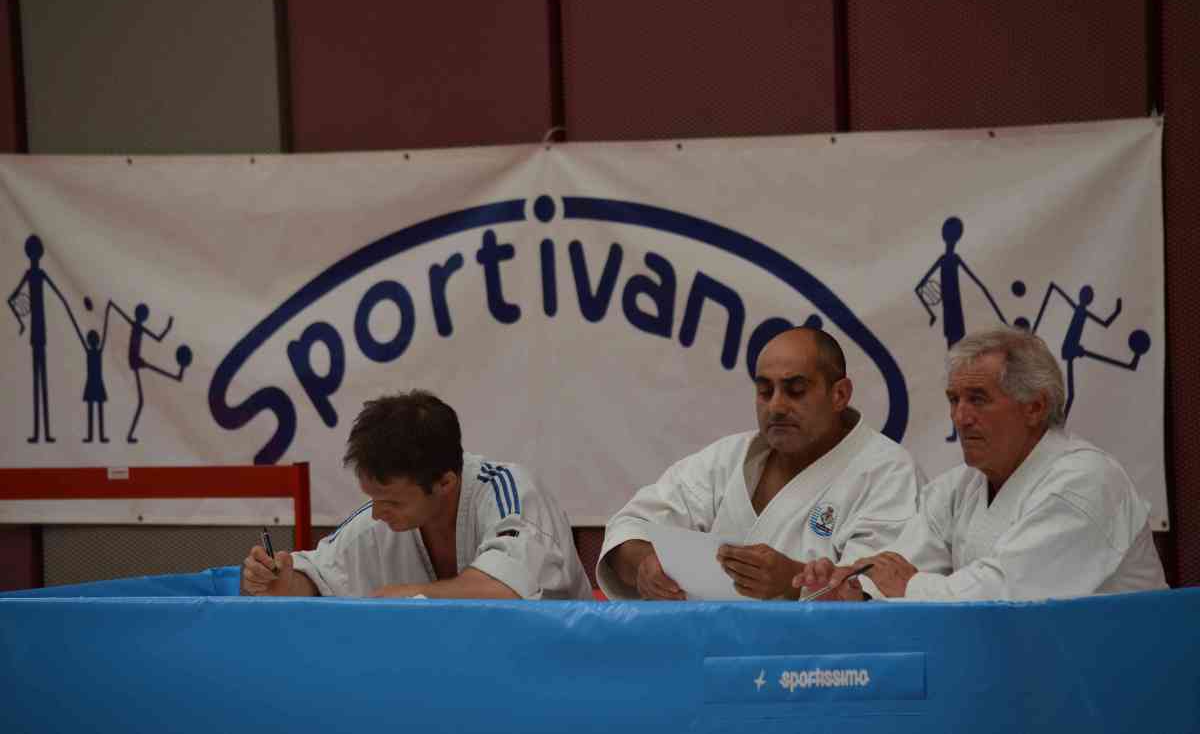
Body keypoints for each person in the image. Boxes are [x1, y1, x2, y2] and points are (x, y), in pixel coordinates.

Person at [796, 327, 1167, 602]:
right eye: (954, 400)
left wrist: (910, 586)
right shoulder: (957, 488)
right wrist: (852, 590)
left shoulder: (1086, 481)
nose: (960, 417)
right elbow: (896, 568)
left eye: (978, 399)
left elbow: (1004, 594)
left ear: (1035, 407)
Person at [597, 327, 923, 600]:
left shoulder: (888, 472)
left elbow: (879, 592)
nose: (776, 407)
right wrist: (644, 563)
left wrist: (792, 581)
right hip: (709, 646)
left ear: (839, 394)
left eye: (796, 390)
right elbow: (630, 525)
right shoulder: (726, 459)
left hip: (821, 655)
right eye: (765, 391)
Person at [240, 390, 593, 600]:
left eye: (392, 501)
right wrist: (284, 581)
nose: (377, 513)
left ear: (445, 483)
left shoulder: (512, 493)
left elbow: (508, 589)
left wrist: (411, 594)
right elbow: (322, 575)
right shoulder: (379, 522)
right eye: (373, 498)